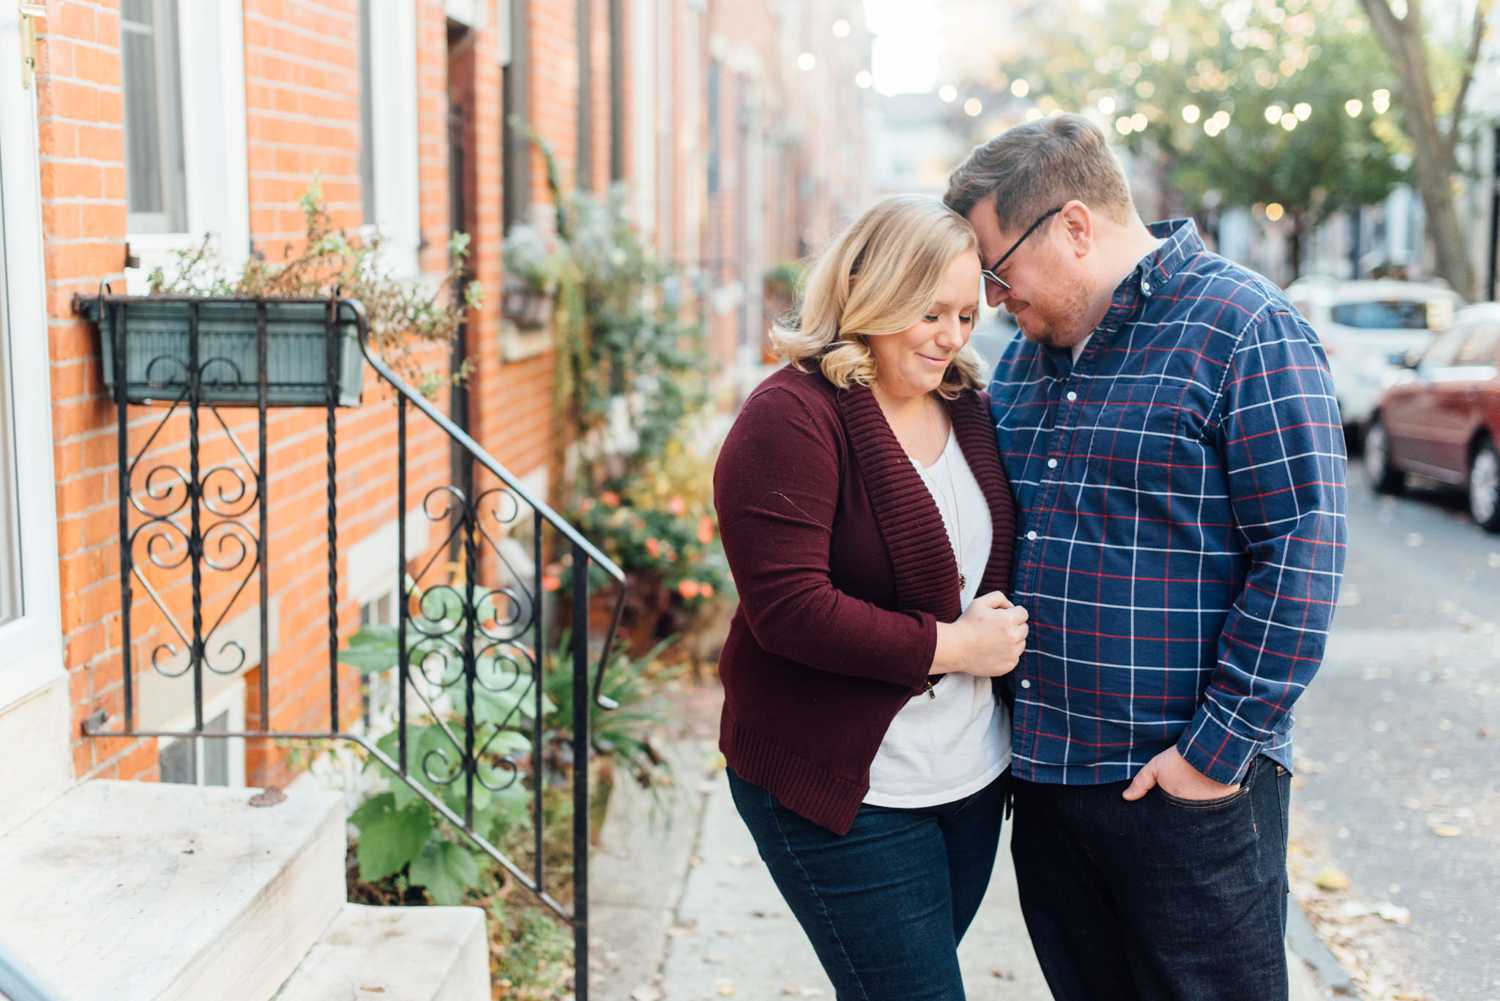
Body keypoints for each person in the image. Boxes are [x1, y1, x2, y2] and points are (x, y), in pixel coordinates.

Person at [944, 113, 1347, 1001]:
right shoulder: (1023, 363)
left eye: (997, 269)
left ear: (1075, 226)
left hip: (1183, 794)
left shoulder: (1246, 329)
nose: (995, 297)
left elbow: (1302, 558)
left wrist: (1211, 757)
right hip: (1047, 788)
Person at [712, 194, 1028, 1001]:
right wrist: (954, 647)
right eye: (929, 311)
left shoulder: (967, 406)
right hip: (845, 788)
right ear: (870, 291)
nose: (953, 336)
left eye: (965, 312)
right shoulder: (790, 417)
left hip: (967, 779)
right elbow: (789, 610)